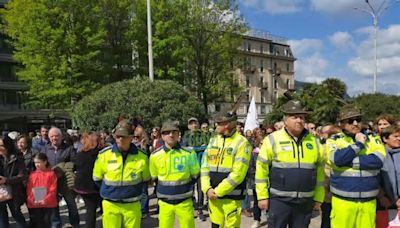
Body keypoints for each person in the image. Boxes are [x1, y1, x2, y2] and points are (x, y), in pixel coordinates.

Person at [256, 100, 325, 228]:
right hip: (279, 201)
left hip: (305, 202)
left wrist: (319, 197)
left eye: (302, 117)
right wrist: (262, 197)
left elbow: (320, 173)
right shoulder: (272, 139)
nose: (299, 120)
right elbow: (261, 170)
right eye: (295, 117)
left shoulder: (315, 142)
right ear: (285, 120)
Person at [326, 105, 386, 228]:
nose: (355, 123)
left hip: (368, 203)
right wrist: (359, 144)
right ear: (342, 124)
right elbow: (336, 159)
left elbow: (379, 160)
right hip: (343, 202)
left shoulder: (373, 138)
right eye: (350, 121)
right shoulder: (334, 140)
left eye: (358, 119)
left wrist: (348, 161)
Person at [93, 120, 150, 228]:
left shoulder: (142, 156)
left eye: (123, 136)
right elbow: (97, 178)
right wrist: (111, 191)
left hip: (132, 205)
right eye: (118, 136)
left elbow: (145, 179)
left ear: (131, 137)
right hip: (110, 204)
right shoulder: (104, 155)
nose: (120, 139)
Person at [201, 110, 252, 227]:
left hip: (232, 198)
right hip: (213, 197)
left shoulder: (242, 143)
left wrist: (217, 191)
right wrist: (207, 189)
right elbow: (204, 166)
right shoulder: (213, 140)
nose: (215, 125)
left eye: (218, 123)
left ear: (227, 124)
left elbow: (238, 174)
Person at [150, 120, 200, 228]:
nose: (171, 135)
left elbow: (195, 175)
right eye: (167, 132)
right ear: (162, 136)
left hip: (185, 202)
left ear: (178, 135)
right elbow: (155, 178)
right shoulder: (154, 156)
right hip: (164, 203)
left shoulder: (189, 153)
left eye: (174, 132)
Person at [41, 127, 79, 228]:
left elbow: (75, 162)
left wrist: (65, 167)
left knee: (71, 204)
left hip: (65, 181)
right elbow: (41, 163)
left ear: (61, 137)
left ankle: (75, 224)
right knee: (53, 206)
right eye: (52, 136)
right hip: (51, 182)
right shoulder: (45, 149)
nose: (54, 138)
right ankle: (56, 225)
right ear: (49, 138)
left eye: (56, 136)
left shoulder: (69, 148)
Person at [74, 132, 103, 228]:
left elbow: (75, 167)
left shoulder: (80, 154)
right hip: (94, 186)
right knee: (92, 209)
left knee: (90, 208)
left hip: (82, 186)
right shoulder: (100, 154)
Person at [182, 117, 207, 221]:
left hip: (201, 165)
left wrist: (194, 149)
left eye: (195, 123)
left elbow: (207, 146)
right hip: (189, 166)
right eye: (191, 124)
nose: (194, 125)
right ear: (188, 126)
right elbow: (184, 148)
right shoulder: (186, 136)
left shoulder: (203, 135)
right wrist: (198, 148)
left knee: (201, 189)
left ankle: (200, 210)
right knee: (189, 189)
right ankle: (192, 207)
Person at [0, 136, 28, 228]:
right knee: (2, 216)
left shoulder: (17, 157)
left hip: (14, 190)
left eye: (2, 145)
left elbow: (22, 175)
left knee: (16, 214)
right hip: (1, 191)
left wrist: (7, 180)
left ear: (8, 146)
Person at [26, 153, 58, 228]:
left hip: (48, 203)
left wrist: (45, 200)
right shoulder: (32, 174)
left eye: (38, 162)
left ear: (45, 162)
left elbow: (53, 189)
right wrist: (31, 199)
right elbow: (29, 189)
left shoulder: (51, 174)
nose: (37, 165)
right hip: (35, 203)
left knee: (46, 222)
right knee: (38, 222)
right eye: (35, 163)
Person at [378, 126, 400, 228]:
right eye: (395, 136)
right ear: (385, 139)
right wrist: (381, 196)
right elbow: (375, 178)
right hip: (383, 204)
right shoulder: (378, 155)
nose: (399, 139)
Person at [133, 125, 151, 219]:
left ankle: (144, 210)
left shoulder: (145, 143)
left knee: (144, 191)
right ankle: (140, 209)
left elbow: (146, 156)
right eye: (134, 136)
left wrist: (143, 146)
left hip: (143, 168)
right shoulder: (132, 143)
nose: (135, 138)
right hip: (134, 169)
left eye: (137, 136)